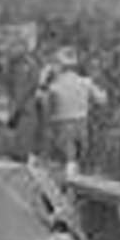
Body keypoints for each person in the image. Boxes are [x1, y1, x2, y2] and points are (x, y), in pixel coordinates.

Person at [35, 44, 104, 175]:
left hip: (62, 126)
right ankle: (74, 183)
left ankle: (66, 186)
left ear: (59, 66)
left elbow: (40, 101)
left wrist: (42, 80)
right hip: (82, 124)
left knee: (67, 162)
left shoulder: (55, 86)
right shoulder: (85, 82)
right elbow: (101, 100)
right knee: (75, 161)